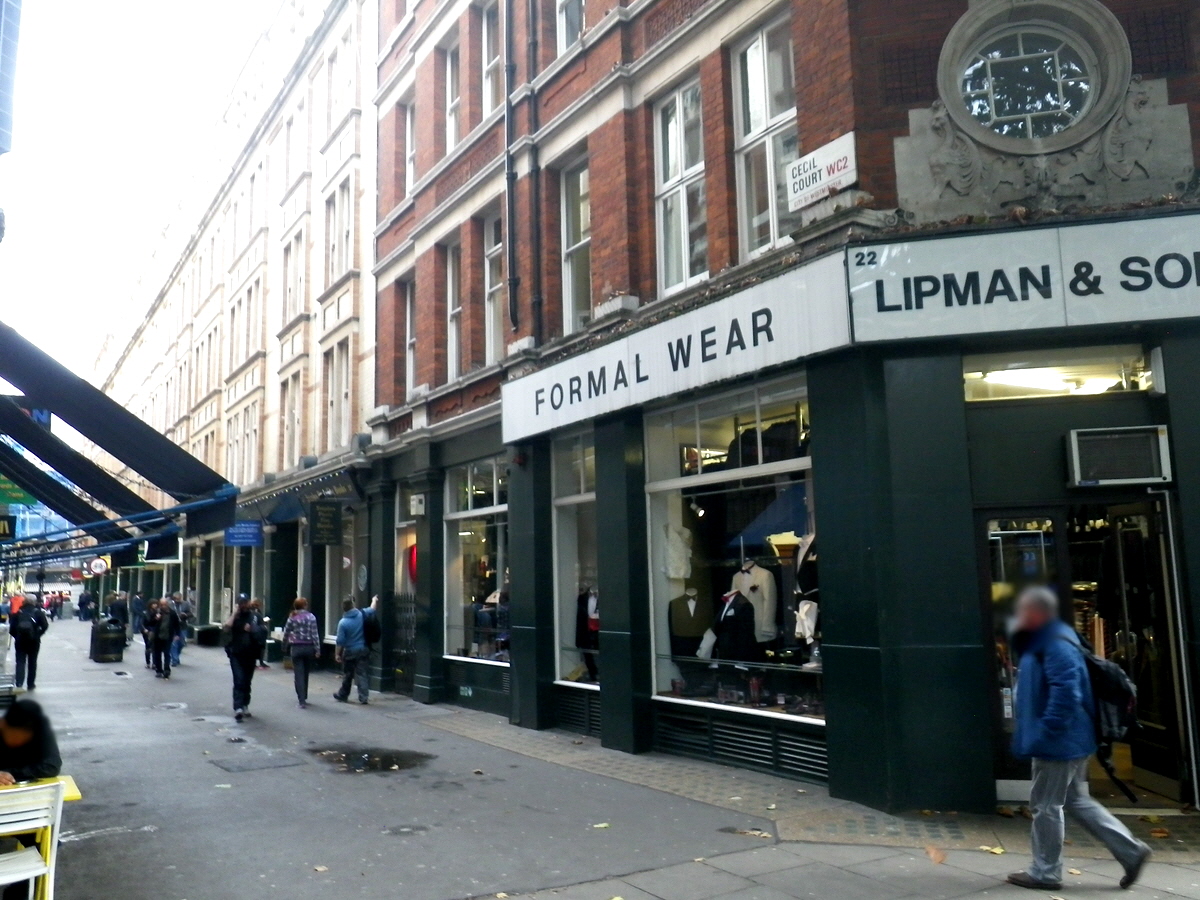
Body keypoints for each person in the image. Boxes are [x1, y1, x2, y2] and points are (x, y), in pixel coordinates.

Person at [1007, 586, 1151, 891]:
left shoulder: (1055, 643)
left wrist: (1047, 730)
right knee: (1075, 800)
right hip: (1068, 739)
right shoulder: (1051, 638)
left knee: (1046, 805)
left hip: (1059, 742)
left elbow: (1066, 692)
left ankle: (1045, 872)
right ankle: (1131, 851)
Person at [0, 700, 62, 900]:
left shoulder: (40, 730)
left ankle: (18, 892)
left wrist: (11, 774)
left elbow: (52, 766)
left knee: (47, 842)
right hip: (18, 812)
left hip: (22, 809)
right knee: (46, 842)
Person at [224, 594, 266, 722]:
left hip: (251, 654)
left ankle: (245, 704)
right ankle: (238, 708)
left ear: (248, 602)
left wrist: (252, 629)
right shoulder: (235, 617)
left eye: (244, 602)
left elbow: (263, 632)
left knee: (247, 681)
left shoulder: (255, 617)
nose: (243, 605)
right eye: (240, 603)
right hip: (236, 654)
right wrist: (234, 613)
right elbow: (226, 628)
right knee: (239, 680)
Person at [333, 595, 377, 705]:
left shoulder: (343, 623)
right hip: (363, 649)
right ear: (353, 605)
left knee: (348, 674)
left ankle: (343, 694)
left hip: (349, 651)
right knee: (362, 674)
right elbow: (372, 609)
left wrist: (337, 654)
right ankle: (363, 697)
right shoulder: (362, 615)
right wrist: (374, 600)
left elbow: (340, 641)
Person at [282, 597, 320, 708]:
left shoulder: (292, 618)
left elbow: (286, 633)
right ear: (304, 606)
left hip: (296, 647)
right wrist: (317, 649)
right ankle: (305, 695)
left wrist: (284, 646)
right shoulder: (311, 617)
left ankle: (301, 699)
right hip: (309, 647)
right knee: (306, 672)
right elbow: (315, 634)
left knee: (298, 673)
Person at [10, 601, 48, 692]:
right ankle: (30, 684)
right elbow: (45, 625)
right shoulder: (38, 613)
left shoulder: (18, 613)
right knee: (32, 663)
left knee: (20, 662)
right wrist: (38, 635)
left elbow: (11, 628)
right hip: (34, 642)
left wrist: (17, 636)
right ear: (34, 602)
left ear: (23, 602)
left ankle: (19, 684)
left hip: (20, 641)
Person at [144, 598, 181, 679]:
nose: (163, 606)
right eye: (162, 605)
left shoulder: (172, 613)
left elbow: (177, 624)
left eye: (165, 604)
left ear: (167, 604)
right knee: (157, 654)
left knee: (167, 653)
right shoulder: (156, 612)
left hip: (168, 636)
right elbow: (149, 623)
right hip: (157, 636)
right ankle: (159, 670)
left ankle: (167, 670)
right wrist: (155, 619)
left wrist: (177, 634)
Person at [170, 592, 192, 667]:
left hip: (182, 626)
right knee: (174, 644)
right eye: (176, 599)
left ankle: (176, 655)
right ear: (173, 598)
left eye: (179, 599)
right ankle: (174, 660)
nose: (178, 600)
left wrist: (185, 615)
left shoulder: (185, 604)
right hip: (172, 626)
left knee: (181, 643)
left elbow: (190, 613)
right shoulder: (170, 604)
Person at [251, 599, 271, 669]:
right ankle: (261, 662)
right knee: (261, 647)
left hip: (252, 633)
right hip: (259, 633)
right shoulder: (258, 614)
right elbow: (261, 623)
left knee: (253, 648)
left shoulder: (250, 613)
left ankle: (253, 663)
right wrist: (265, 622)